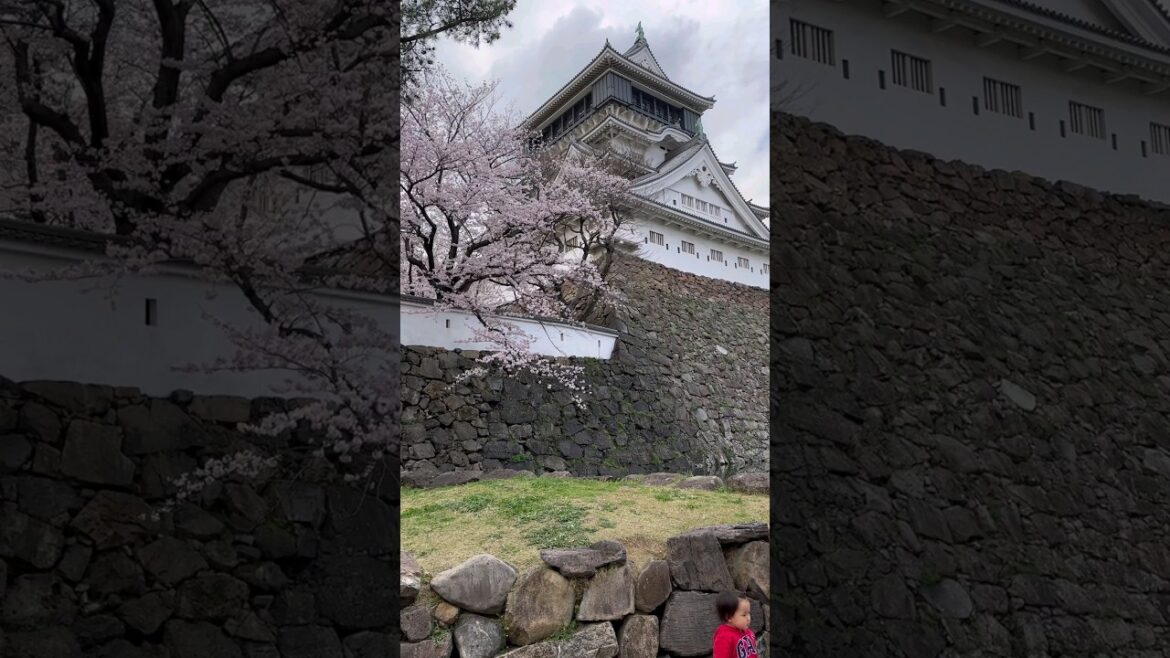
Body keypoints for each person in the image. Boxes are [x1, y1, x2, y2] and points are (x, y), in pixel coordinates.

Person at [712, 590, 758, 657]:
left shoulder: (748, 632)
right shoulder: (724, 637)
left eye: (749, 613)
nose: (748, 618)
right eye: (744, 615)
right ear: (729, 617)